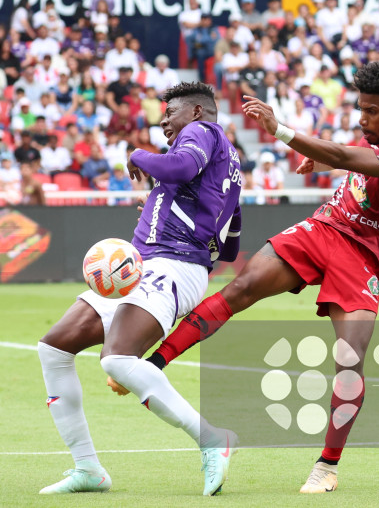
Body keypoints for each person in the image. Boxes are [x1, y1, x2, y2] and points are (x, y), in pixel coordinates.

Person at [127, 62, 379, 494]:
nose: (362, 119)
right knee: (242, 288)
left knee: (349, 361)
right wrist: (323, 160)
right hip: (323, 229)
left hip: (363, 256)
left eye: (371, 111)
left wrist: (283, 131)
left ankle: (327, 466)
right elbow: (352, 159)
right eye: (360, 109)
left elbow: (349, 157)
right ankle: (153, 365)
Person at [37, 82, 242, 496]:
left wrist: (136, 155)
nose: (163, 120)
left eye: (171, 113)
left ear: (198, 112)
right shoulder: (230, 164)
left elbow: (180, 167)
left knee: (116, 360)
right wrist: (162, 207)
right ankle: (88, 469)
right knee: (54, 348)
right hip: (155, 261)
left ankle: (211, 439)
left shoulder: (202, 135)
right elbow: (232, 242)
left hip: (170, 265)